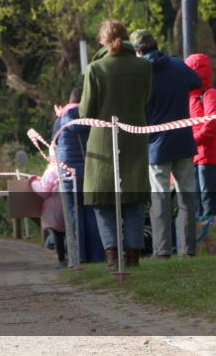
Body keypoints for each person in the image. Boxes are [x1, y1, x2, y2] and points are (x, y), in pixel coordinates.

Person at [80, 20, 152, 269]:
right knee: (134, 200)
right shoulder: (144, 67)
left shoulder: (95, 69)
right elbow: (145, 99)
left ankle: (112, 255)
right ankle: (133, 256)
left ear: (102, 40)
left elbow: (85, 111)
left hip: (102, 143)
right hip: (135, 139)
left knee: (102, 202)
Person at [130, 30, 202, 259]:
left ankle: (162, 250)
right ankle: (188, 249)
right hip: (183, 139)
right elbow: (196, 82)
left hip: (157, 144)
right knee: (187, 197)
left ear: (137, 51)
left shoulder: (140, 72)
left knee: (159, 198)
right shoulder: (177, 65)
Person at [51, 87, 105, 263]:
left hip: (69, 175)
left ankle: (78, 256)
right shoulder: (92, 118)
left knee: (74, 214)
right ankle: (97, 255)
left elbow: (54, 147)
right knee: (92, 213)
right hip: (91, 171)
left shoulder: (61, 121)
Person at [185, 53, 216, 246]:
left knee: (208, 199)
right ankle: (202, 242)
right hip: (195, 156)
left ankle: (213, 241)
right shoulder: (191, 97)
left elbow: (210, 126)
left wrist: (190, 142)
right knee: (199, 201)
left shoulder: (210, 95)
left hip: (208, 157)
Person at [30, 164, 67, 268]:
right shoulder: (67, 168)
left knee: (57, 234)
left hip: (54, 208)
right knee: (67, 233)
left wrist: (34, 181)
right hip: (68, 204)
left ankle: (61, 260)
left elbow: (44, 192)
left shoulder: (51, 171)